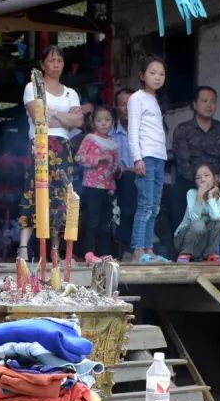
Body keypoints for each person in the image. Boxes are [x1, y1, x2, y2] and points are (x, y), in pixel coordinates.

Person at [17, 45, 82, 262]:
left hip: (64, 148)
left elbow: (78, 121)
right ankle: (23, 248)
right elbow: (38, 117)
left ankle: (56, 250)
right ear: (43, 64)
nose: (56, 65)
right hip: (40, 144)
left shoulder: (71, 93)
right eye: (51, 60)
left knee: (61, 197)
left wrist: (52, 112)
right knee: (33, 192)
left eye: (60, 61)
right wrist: (64, 116)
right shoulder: (32, 86)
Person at [170, 85, 220, 242]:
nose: (209, 105)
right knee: (175, 195)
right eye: (204, 101)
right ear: (194, 104)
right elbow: (183, 162)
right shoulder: (183, 129)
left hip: (217, 179)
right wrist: (201, 181)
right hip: (191, 180)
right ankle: (179, 243)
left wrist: (218, 179)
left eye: (213, 101)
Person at [128, 55, 169, 263]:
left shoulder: (154, 99)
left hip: (159, 157)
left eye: (161, 74)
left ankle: (148, 248)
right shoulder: (137, 98)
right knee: (145, 204)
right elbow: (133, 131)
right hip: (146, 157)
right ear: (142, 75)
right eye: (152, 73)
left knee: (155, 206)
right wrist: (137, 158)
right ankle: (137, 249)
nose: (157, 77)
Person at [74, 105, 120, 259]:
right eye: (99, 120)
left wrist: (117, 171)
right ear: (93, 123)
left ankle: (105, 253)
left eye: (107, 120)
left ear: (113, 122)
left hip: (108, 186)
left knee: (106, 222)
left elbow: (115, 165)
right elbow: (79, 158)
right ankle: (88, 252)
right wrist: (97, 159)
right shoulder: (90, 139)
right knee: (92, 220)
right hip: (92, 185)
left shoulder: (113, 143)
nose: (104, 123)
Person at [173, 163, 220, 262]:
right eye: (198, 178)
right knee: (199, 224)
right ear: (195, 182)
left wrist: (210, 197)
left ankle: (210, 253)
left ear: (215, 178)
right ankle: (185, 253)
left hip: (201, 243)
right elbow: (195, 219)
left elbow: (215, 217)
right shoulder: (191, 193)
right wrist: (199, 197)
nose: (202, 180)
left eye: (206, 175)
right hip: (183, 240)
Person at [111, 88, 136, 257]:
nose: (127, 108)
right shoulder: (111, 133)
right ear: (116, 107)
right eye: (123, 104)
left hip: (142, 178)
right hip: (119, 181)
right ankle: (128, 244)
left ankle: (130, 242)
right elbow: (112, 167)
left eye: (131, 104)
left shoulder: (145, 131)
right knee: (127, 179)